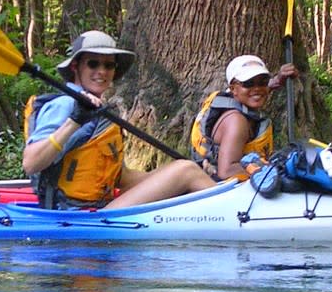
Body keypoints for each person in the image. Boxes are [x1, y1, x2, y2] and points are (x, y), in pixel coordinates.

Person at [21, 30, 215, 210]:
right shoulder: (65, 104)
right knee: (186, 170)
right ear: (75, 66)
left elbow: (123, 179)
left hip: (98, 208)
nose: (102, 71)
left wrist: (175, 177)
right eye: (93, 63)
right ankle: (231, 216)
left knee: (187, 170)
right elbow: (31, 163)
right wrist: (74, 121)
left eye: (109, 65)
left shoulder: (99, 109)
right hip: (74, 214)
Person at [191, 54, 298, 180]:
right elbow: (226, 171)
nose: (257, 88)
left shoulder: (243, 100)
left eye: (263, 81)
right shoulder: (236, 122)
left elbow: (256, 91)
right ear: (233, 89)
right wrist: (272, 170)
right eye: (248, 83)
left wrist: (278, 80)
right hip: (221, 184)